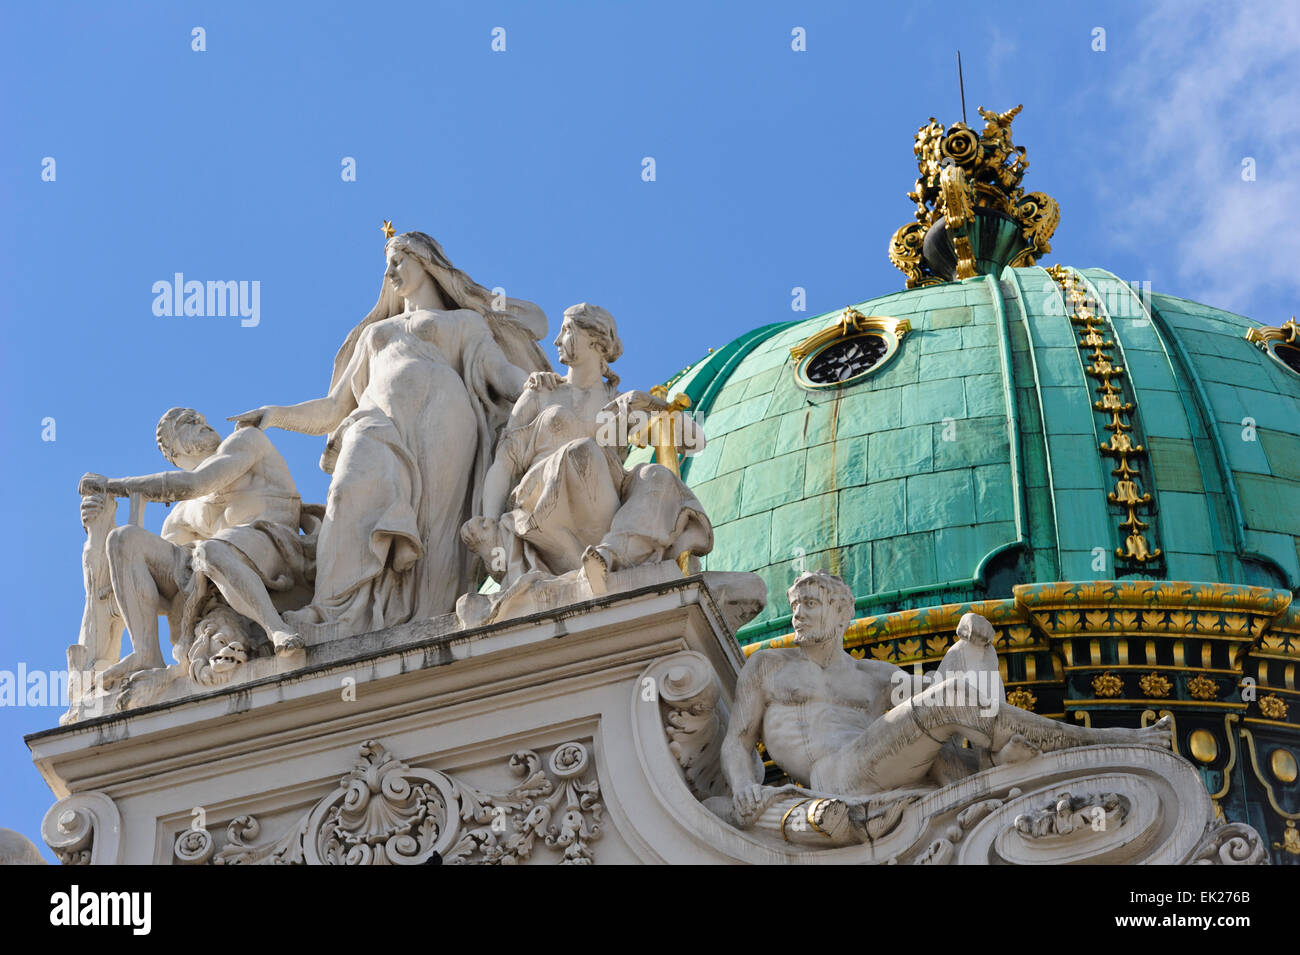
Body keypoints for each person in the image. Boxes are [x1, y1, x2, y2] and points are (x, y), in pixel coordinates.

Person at [231, 231, 549, 639]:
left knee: (439, 523)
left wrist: (535, 385)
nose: (390, 271)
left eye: (398, 261)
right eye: (387, 265)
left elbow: (499, 374)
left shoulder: (464, 322)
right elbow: (332, 409)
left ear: (426, 262)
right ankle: (330, 612)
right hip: (376, 419)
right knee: (348, 491)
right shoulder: (375, 334)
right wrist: (274, 415)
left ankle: (436, 622)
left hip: (447, 417)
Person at [718, 571, 1172, 845]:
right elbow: (738, 741)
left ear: (841, 614)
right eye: (795, 606)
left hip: (879, 764)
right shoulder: (768, 665)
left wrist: (972, 644)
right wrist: (742, 786)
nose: (797, 615)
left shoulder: (872, 676)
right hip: (833, 779)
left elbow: (950, 688)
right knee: (947, 705)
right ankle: (1114, 740)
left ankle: (1000, 763)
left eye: (810, 605)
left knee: (952, 708)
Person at [459, 303, 712, 622]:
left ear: (595, 339)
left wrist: (653, 407)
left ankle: (607, 557)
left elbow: (695, 441)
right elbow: (504, 464)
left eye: (566, 331)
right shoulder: (540, 394)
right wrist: (490, 520)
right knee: (583, 451)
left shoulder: (617, 403)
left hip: (601, 511)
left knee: (657, 475)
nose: (556, 341)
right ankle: (611, 556)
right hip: (542, 507)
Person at [79, 408, 309, 691]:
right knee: (125, 540)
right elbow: (163, 589)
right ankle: (146, 653)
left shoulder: (246, 441)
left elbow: (197, 484)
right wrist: (106, 524)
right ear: (174, 452)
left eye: (200, 418)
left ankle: (276, 629)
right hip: (218, 561)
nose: (202, 422)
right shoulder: (181, 514)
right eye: (188, 422)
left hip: (275, 545)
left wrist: (114, 486)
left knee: (209, 551)